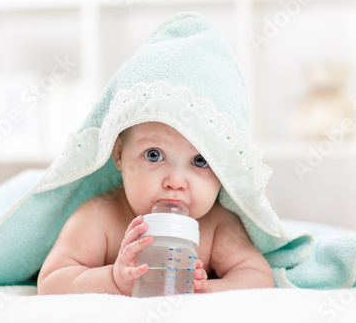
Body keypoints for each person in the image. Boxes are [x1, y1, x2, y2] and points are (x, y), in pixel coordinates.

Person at [37, 121, 274, 295]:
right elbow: (51, 282)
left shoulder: (218, 224)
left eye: (200, 161)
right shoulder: (100, 216)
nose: (176, 181)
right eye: (153, 155)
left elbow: (259, 276)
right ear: (119, 154)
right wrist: (113, 279)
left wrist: (209, 289)